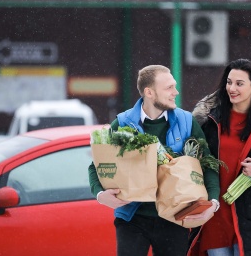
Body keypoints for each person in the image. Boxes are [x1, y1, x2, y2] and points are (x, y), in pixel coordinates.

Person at [88, 64, 220, 256]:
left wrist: (213, 204)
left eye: (174, 86)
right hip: (132, 217)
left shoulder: (186, 122)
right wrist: (101, 195)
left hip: (175, 216)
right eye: (168, 88)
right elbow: (96, 166)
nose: (176, 91)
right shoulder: (123, 123)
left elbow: (208, 164)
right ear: (149, 92)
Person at [190, 59, 251, 256]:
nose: (232, 88)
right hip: (215, 215)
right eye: (229, 82)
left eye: (239, 83)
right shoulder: (209, 121)